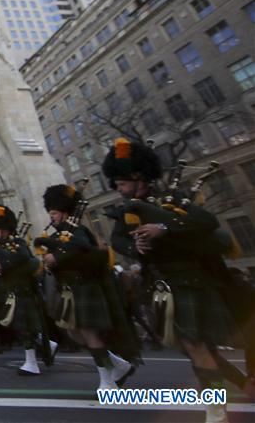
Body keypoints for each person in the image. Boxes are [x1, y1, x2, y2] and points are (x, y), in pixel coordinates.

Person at [103, 138, 252, 422]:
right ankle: (239, 383)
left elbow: (207, 222)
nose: (118, 189)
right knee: (191, 348)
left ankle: (216, 409)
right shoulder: (128, 210)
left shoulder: (174, 198)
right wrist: (137, 248)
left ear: (137, 177)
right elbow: (118, 240)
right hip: (159, 287)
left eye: (121, 183)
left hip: (190, 282)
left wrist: (163, 227)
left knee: (197, 346)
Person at [35, 184, 139, 391]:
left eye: (54, 213)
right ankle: (118, 365)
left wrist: (57, 256)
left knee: (91, 335)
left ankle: (108, 381)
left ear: (64, 212)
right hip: (69, 290)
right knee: (75, 333)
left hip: (83, 288)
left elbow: (83, 249)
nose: (51, 217)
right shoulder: (59, 236)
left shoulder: (78, 231)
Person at [0, 205, 53, 375]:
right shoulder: (1, 247)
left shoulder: (18, 243)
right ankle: (45, 347)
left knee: (25, 327)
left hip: (23, 291)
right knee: (23, 326)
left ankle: (32, 362)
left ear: (6, 230)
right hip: (12, 291)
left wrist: (4, 263)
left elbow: (25, 258)